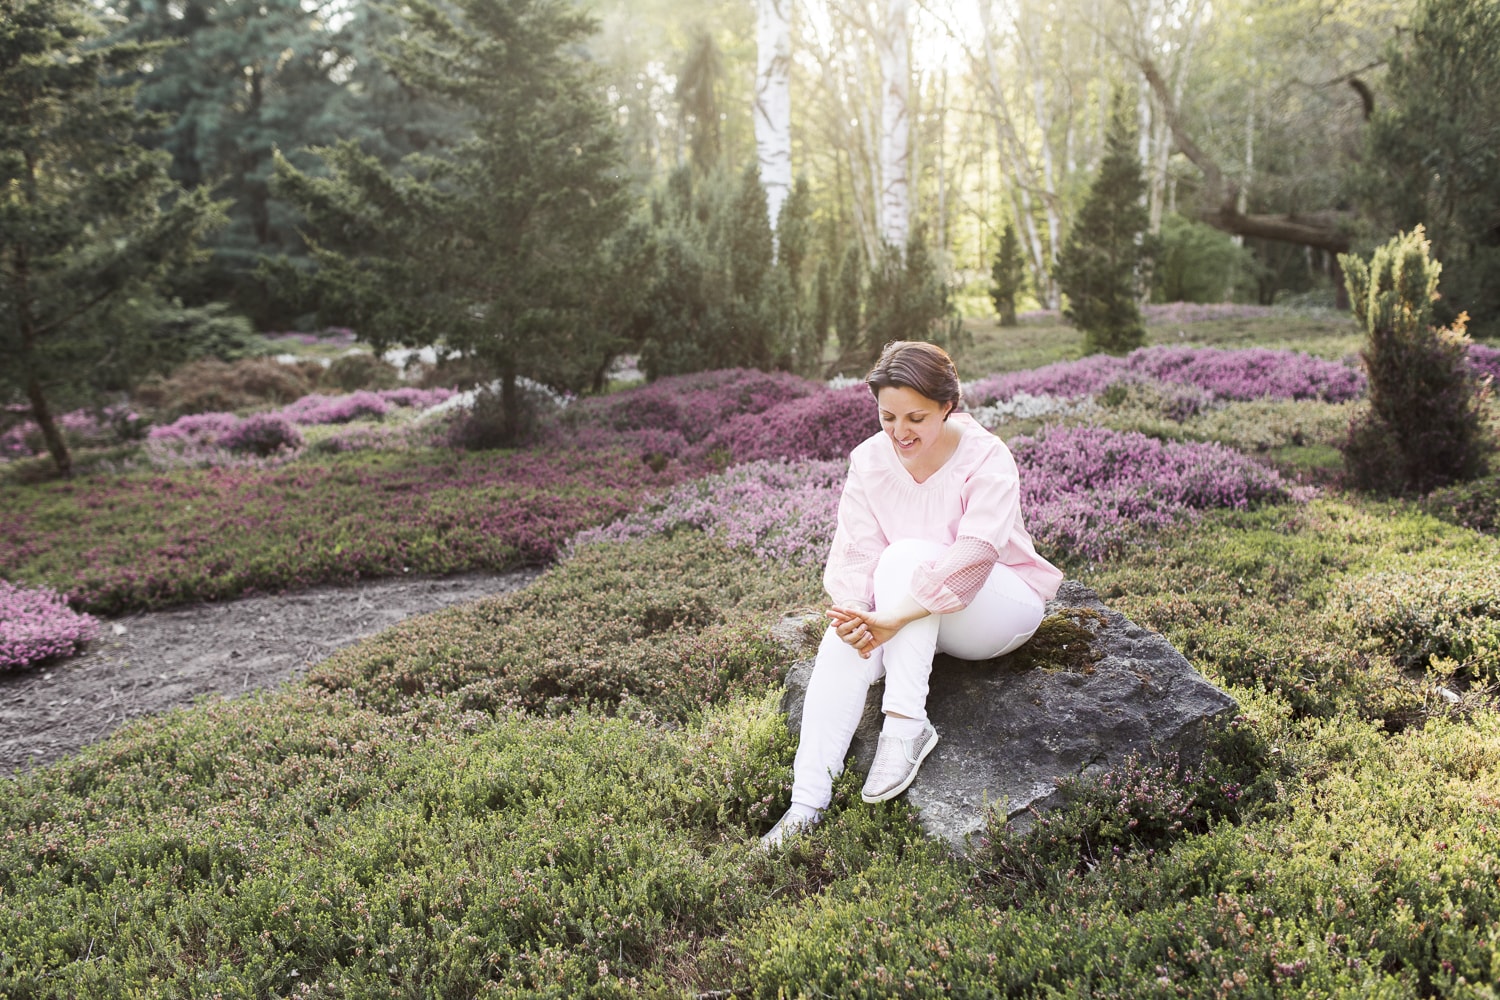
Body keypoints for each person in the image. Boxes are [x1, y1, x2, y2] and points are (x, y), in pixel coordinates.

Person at [761, 340, 1063, 849]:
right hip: (916, 616)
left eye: (917, 418)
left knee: (905, 557)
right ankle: (805, 804)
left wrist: (894, 617)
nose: (901, 432)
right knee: (841, 642)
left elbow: (975, 555)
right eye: (888, 417)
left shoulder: (986, 456)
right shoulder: (868, 461)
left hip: (995, 609)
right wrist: (859, 612)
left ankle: (905, 724)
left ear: (948, 407)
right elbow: (856, 552)